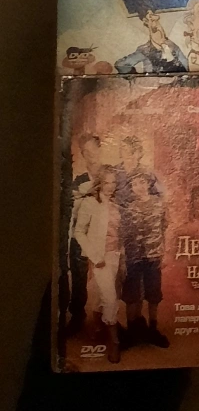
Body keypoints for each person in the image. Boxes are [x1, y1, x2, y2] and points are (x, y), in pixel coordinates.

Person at [73, 167, 124, 363]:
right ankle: (114, 342)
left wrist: (122, 256)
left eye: (113, 182)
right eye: (107, 182)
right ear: (100, 183)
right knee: (110, 298)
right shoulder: (90, 203)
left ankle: (97, 325)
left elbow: (120, 232)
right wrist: (95, 256)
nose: (110, 186)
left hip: (116, 255)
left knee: (105, 292)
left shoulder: (116, 203)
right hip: (100, 257)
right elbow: (79, 232)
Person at [121, 171, 169, 348]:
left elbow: (164, 227)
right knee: (132, 295)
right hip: (133, 256)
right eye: (134, 184)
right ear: (131, 188)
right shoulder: (129, 208)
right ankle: (131, 331)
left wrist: (163, 251)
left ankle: (153, 329)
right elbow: (124, 234)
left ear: (148, 184)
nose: (138, 187)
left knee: (153, 294)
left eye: (141, 182)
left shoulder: (160, 204)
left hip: (153, 255)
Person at [65, 134, 102, 334]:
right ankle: (77, 316)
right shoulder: (79, 180)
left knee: (106, 278)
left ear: (100, 149)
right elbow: (73, 204)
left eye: (93, 149)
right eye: (86, 152)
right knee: (79, 278)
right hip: (81, 236)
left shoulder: (110, 176)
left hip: (103, 236)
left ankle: (106, 319)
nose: (90, 155)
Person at [115, 10, 189, 74]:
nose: (157, 26)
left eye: (157, 22)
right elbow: (120, 64)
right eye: (152, 20)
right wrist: (136, 77)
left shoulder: (173, 46)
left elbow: (186, 68)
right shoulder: (145, 50)